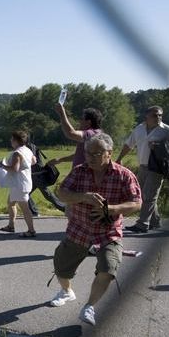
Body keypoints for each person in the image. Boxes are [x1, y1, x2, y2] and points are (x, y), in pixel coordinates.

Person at [48, 133, 141, 325]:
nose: (90, 157)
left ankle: (89, 306)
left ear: (109, 153)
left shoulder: (124, 175)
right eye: (87, 153)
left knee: (109, 267)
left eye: (96, 153)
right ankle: (66, 291)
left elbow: (137, 203)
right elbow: (62, 193)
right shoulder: (79, 171)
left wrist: (113, 209)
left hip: (108, 232)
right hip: (78, 230)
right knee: (61, 267)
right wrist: (84, 197)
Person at [115, 106, 169, 233]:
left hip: (157, 167)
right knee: (143, 195)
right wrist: (119, 158)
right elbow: (129, 144)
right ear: (147, 116)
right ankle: (155, 221)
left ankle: (142, 224)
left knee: (149, 196)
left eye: (160, 115)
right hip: (143, 166)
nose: (158, 117)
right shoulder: (139, 129)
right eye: (155, 115)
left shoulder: (167, 130)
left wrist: (160, 146)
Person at [0, 130, 37, 237]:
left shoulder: (17, 153)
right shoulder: (27, 150)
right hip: (22, 182)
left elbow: (14, 169)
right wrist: (25, 165)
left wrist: (2, 165)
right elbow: (34, 161)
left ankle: (31, 231)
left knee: (25, 209)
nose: (10, 140)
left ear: (16, 141)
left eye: (12, 139)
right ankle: (11, 226)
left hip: (19, 184)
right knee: (10, 203)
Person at [27, 141, 66, 216]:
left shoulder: (29, 146)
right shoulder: (30, 145)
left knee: (48, 195)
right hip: (35, 173)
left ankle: (66, 208)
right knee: (25, 193)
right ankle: (33, 211)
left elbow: (33, 160)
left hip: (37, 174)